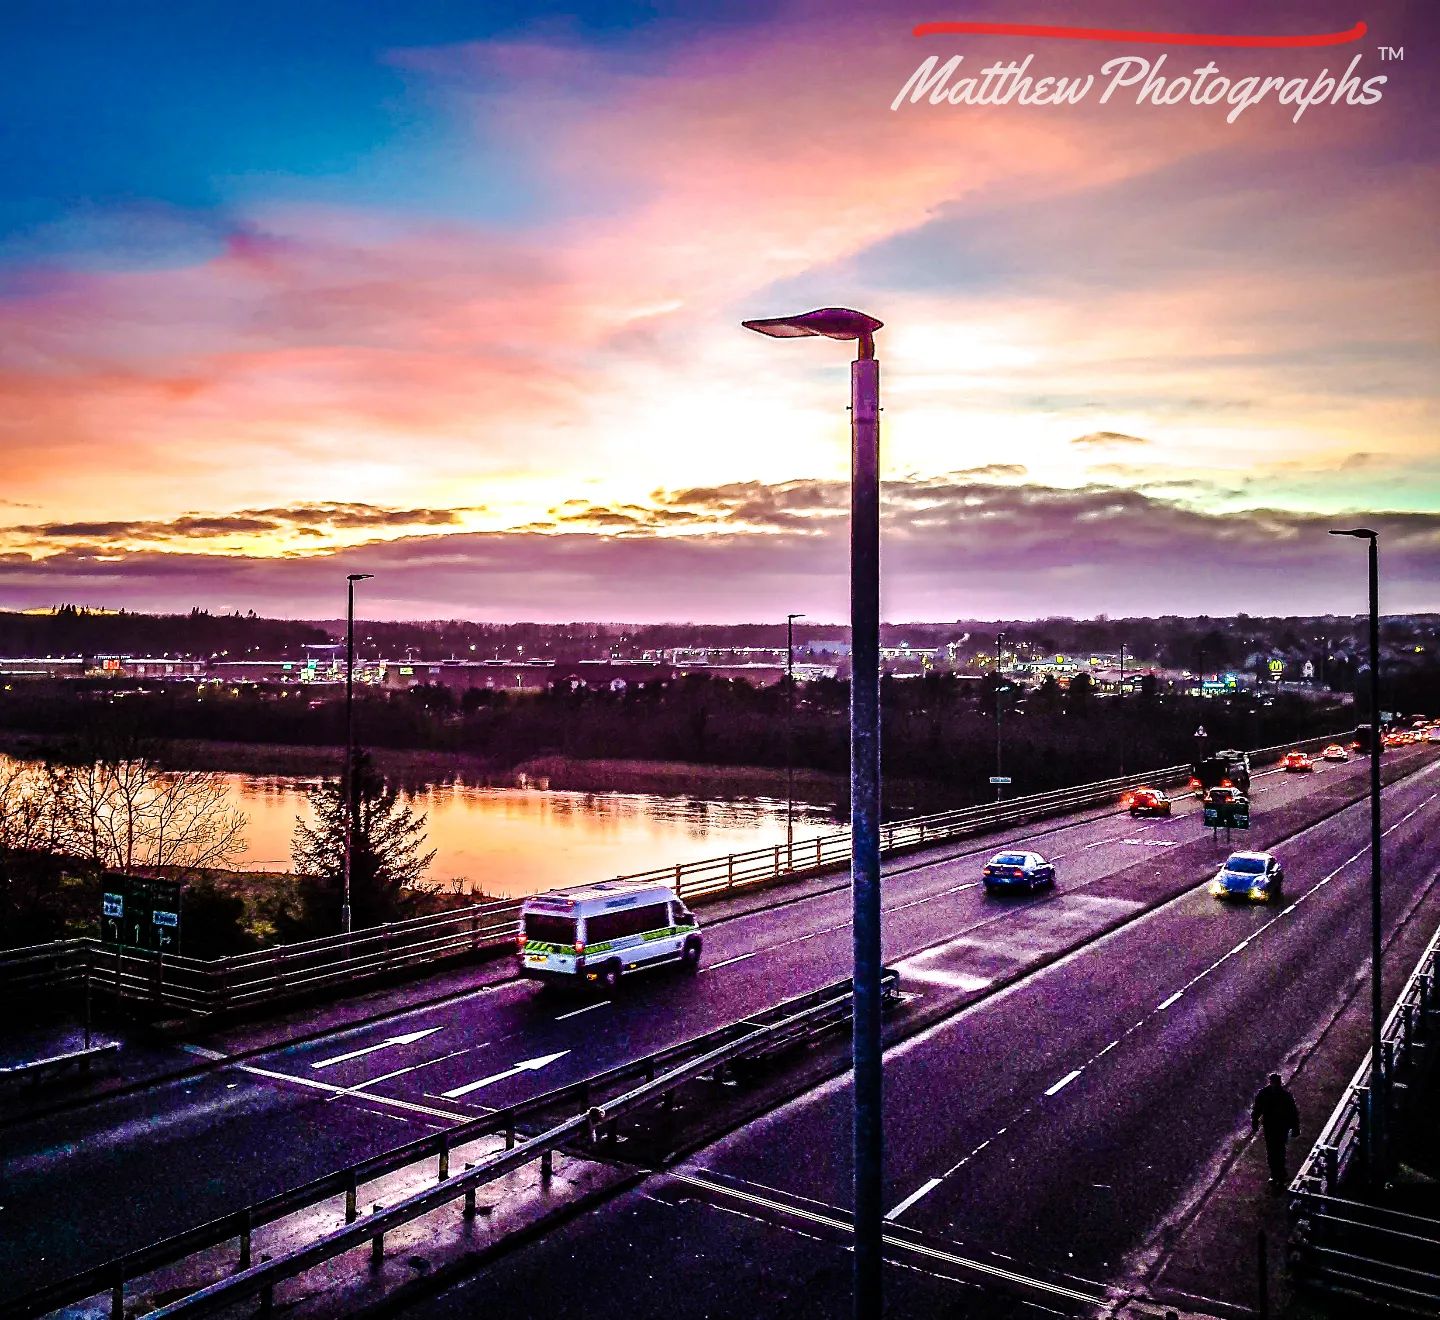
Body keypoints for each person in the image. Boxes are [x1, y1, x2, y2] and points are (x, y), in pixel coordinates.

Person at [1251, 1073, 1301, 1187]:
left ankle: (1277, 1174)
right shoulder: (1284, 1095)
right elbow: (1293, 1112)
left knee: (1277, 1150)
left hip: (1276, 1127)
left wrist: (1255, 1123)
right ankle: (1277, 1174)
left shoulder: (1265, 1094)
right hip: (1275, 1127)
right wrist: (1295, 1127)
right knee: (1275, 1151)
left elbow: (1257, 1110)